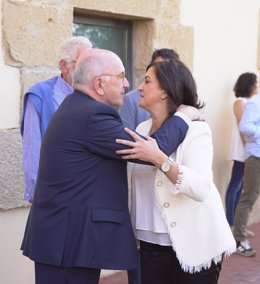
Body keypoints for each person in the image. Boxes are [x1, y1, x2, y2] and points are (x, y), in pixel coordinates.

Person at [21, 48, 201, 284]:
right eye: (121, 76)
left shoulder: (78, 107)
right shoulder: (93, 116)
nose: (127, 84)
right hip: (67, 243)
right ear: (99, 84)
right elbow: (148, 151)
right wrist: (184, 117)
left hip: (64, 239)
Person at [115, 60, 236, 284]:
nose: (139, 87)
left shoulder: (196, 130)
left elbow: (200, 188)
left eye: (147, 81)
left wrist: (160, 160)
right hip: (150, 243)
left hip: (194, 242)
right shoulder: (141, 129)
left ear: (166, 91)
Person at [20, 36, 93, 202]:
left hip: (87, 188)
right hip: (53, 189)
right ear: (64, 65)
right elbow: (32, 145)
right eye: (82, 64)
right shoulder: (40, 95)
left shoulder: (95, 93)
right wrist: (34, 191)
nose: (89, 70)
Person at [225, 73, 258, 230]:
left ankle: (238, 227)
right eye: (256, 82)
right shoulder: (240, 102)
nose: (257, 85)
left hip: (248, 150)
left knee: (242, 188)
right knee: (235, 186)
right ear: (249, 85)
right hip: (243, 150)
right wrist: (248, 150)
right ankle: (230, 224)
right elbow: (242, 128)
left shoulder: (251, 103)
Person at [118, 48, 179, 129]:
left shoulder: (185, 113)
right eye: (157, 66)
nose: (161, 71)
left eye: (167, 70)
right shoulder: (142, 128)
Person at [233, 76, 260, 257]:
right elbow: (245, 126)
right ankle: (240, 239)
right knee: (248, 196)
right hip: (255, 155)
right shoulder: (253, 103)